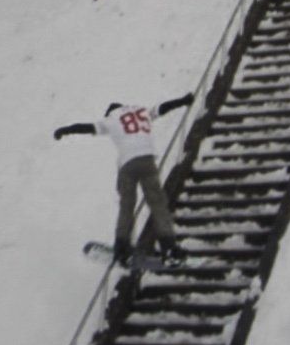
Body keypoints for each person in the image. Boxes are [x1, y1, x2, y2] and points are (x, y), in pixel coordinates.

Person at [54, 92, 195, 268]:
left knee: (127, 205)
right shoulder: (141, 111)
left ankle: (122, 247)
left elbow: (87, 127)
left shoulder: (111, 119)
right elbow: (162, 108)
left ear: (109, 113)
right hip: (148, 161)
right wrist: (183, 101)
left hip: (127, 165)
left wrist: (65, 130)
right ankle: (169, 247)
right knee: (158, 204)